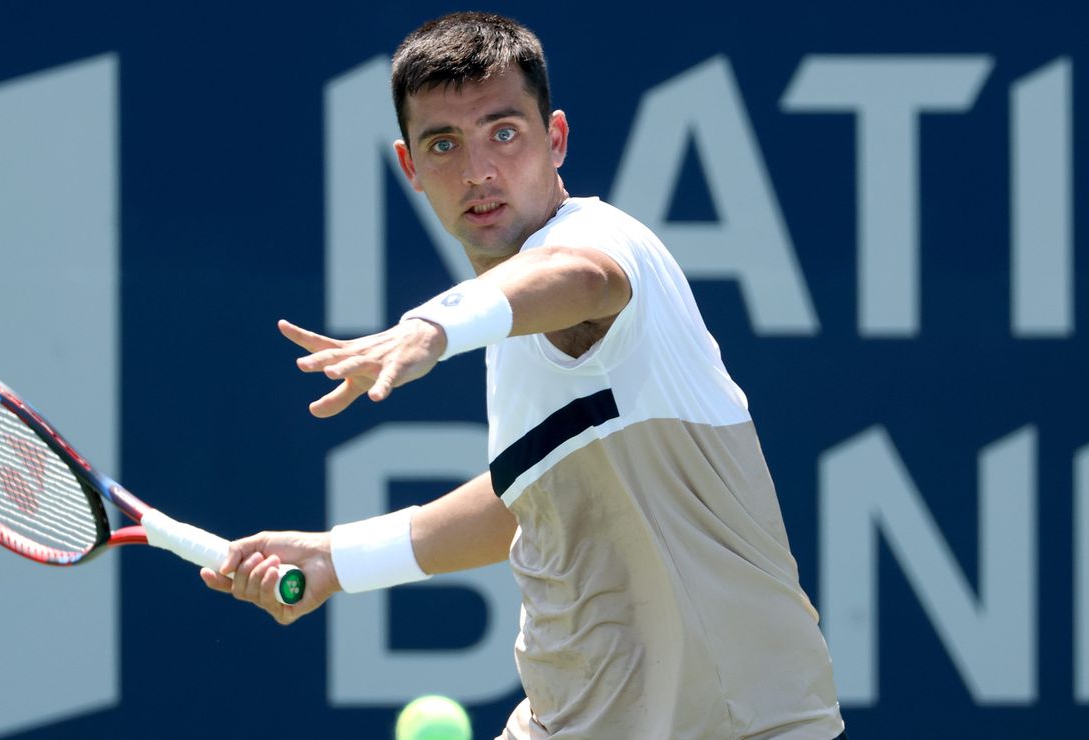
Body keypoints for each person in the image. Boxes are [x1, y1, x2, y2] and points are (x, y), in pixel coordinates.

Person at [202, 11, 846, 739]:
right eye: (444, 144)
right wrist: (337, 557)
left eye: (503, 132)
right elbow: (529, 500)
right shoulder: (514, 334)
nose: (478, 171)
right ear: (410, 168)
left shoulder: (600, 245)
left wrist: (433, 325)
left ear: (557, 138)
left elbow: (578, 279)